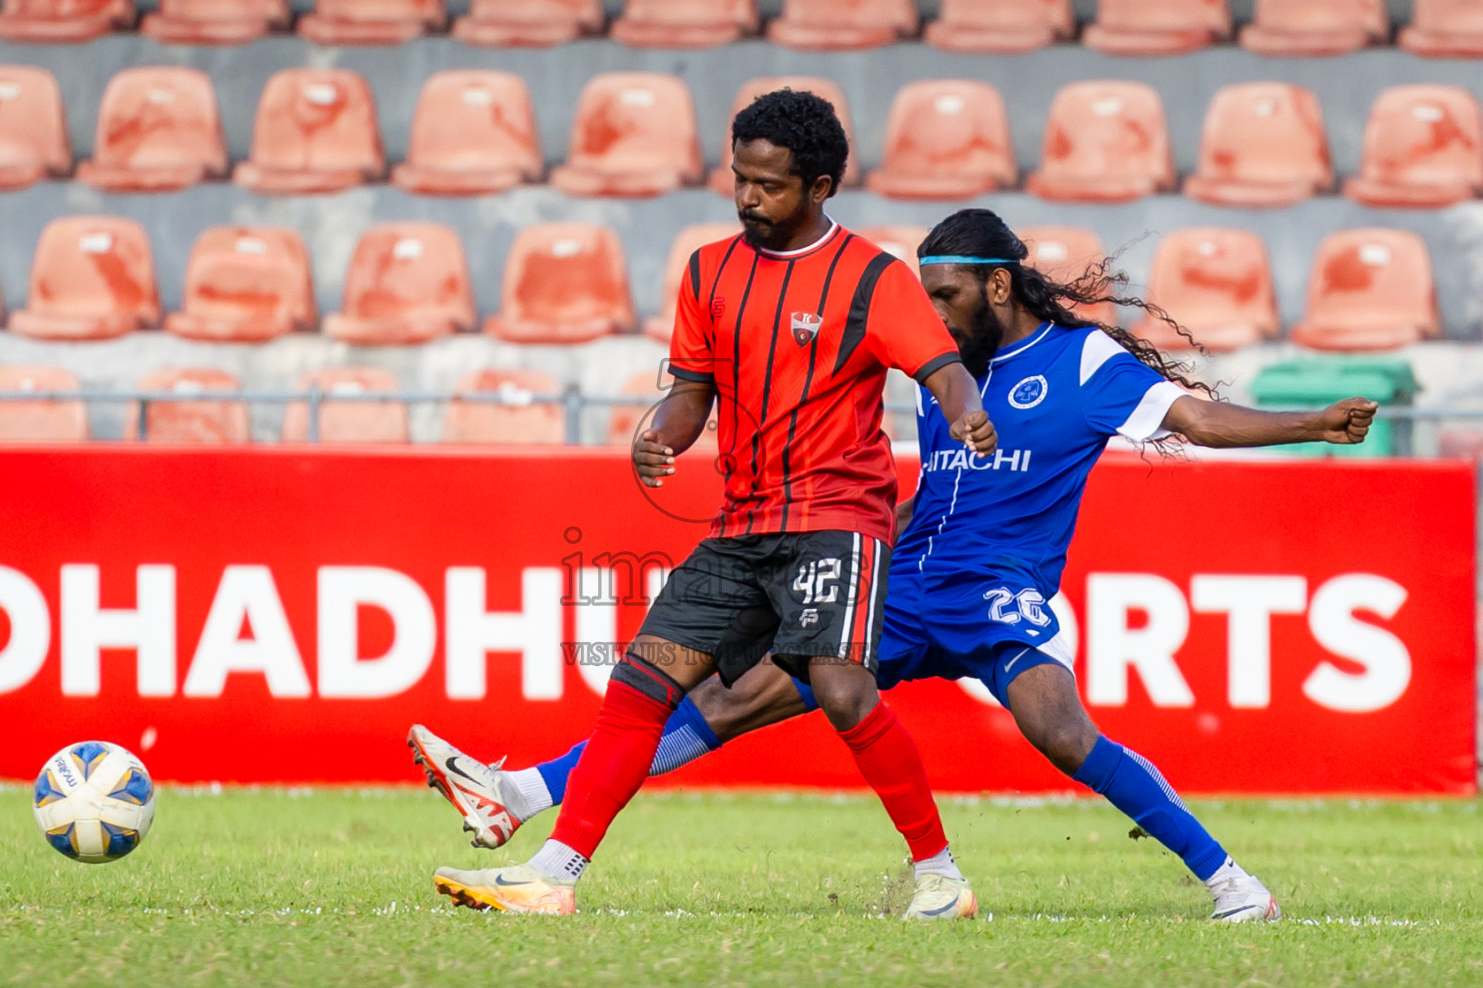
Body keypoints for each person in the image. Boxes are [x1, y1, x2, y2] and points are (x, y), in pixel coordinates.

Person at [412, 208, 1381, 923]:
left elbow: (1199, 419)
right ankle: (530, 792)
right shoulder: (938, 371)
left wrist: (1312, 425)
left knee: (1058, 727)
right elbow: (937, 486)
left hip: (1001, 594)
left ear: (999, 286)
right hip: (908, 582)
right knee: (743, 695)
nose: (934, 312)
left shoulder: (1086, 363)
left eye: (949, 295)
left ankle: (1230, 884)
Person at [412, 91, 998, 919]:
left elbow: (943, 371)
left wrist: (965, 410)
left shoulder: (874, 278)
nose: (748, 199)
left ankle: (940, 875)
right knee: (642, 681)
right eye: (739, 180)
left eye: (769, 185)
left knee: (842, 691)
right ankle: (555, 872)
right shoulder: (707, 270)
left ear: (821, 185)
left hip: (838, 517)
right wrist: (659, 433)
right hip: (742, 522)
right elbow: (691, 396)